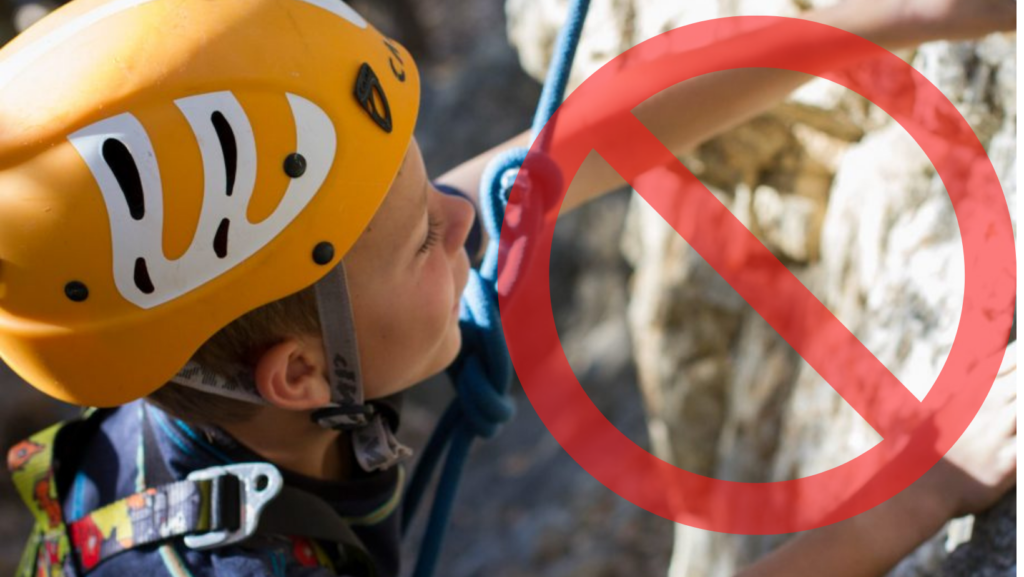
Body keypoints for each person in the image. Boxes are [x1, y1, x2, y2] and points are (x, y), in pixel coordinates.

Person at [0, 0, 1014, 576]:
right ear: (300, 372)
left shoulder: (207, 348)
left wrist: (888, 20)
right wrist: (927, 491)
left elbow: (560, 156)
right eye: (418, 241)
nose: (455, 213)